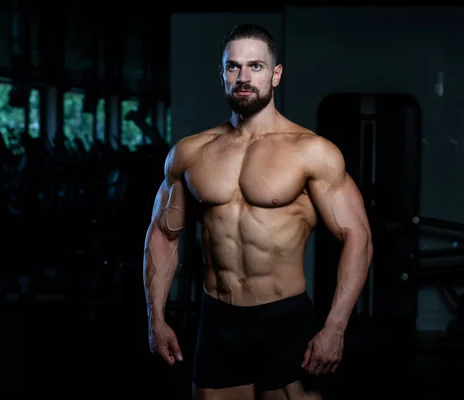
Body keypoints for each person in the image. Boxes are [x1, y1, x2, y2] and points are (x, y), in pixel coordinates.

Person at [143, 23, 373, 400]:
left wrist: (335, 327)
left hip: (283, 320)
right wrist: (156, 318)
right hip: (219, 320)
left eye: (256, 66)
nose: (243, 77)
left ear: (276, 74)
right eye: (233, 67)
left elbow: (358, 237)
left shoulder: (311, 152)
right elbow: (163, 234)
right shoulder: (190, 152)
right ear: (221, 74)